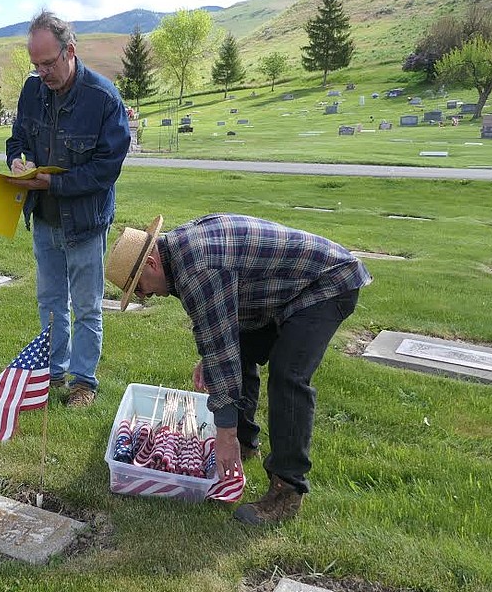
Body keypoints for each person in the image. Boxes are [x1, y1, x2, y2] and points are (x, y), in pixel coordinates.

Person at [105, 213, 372, 524]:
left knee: (289, 377)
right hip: (281, 290)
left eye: (139, 288)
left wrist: (224, 433)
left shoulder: (197, 268)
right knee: (240, 354)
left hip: (325, 284)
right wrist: (211, 360)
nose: (145, 295)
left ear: (151, 263)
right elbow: (222, 328)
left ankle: (286, 491)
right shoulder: (181, 253)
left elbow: (221, 347)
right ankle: (246, 445)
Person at [6, 10, 131, 408]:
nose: (43, 73)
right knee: (51, 301)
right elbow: (17, 139)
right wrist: (17, 161)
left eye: (48, 63)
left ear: (70, 51)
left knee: (88, 306)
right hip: (43, 218)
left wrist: (53, 182)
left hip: (85, 224)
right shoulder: (32, 91)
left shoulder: (104, 98)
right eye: (36, 65)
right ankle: (52, 374)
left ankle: (84, 384)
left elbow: (104, 171)